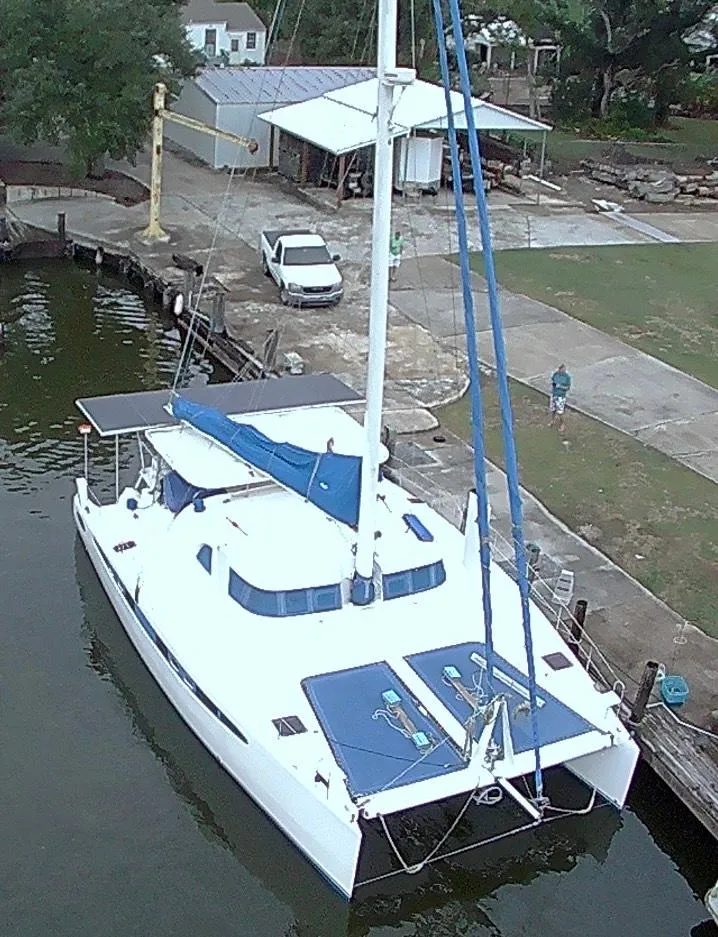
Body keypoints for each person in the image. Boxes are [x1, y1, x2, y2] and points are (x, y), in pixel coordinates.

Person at [549, 363, 571, 432]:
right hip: (554, 394)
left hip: (561, 396)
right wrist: (554, 385)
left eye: (563, 370)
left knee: (560, 412)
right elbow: (553, 381)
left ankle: (562, 424)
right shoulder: (556, 374)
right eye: (561, 370)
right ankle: (552, 421)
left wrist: (560, 386)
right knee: (553, 409)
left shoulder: (567, 377)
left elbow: (567, 388)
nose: (562, 371)